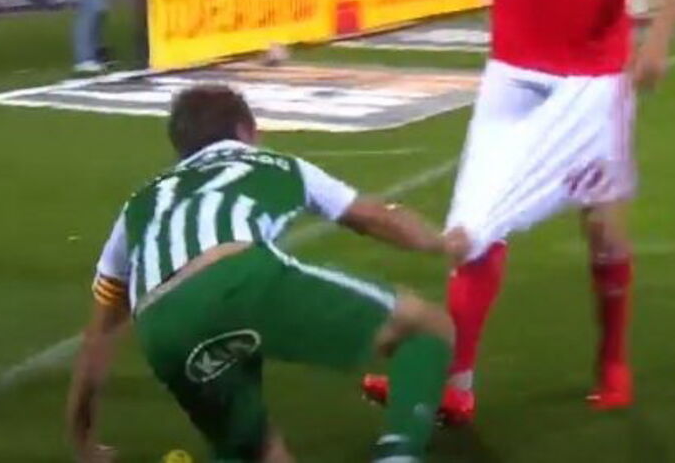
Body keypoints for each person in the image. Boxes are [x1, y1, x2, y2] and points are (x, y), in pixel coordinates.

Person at [363, 0, 675, 424]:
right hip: (513, 70)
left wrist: (660, 39)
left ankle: (612, 361)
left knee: (603, 230)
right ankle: (455, 386)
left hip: (593, 76)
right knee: (475, 226)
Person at [66, 84, 470, 462]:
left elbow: (99, 334)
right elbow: (374, 217)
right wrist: (441, 242)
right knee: (426, 326)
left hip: (160, 327)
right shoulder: (272, 162)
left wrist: (82, 433)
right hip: (238, 279)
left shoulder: (139, 203)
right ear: (246, 130)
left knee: (263, 453)